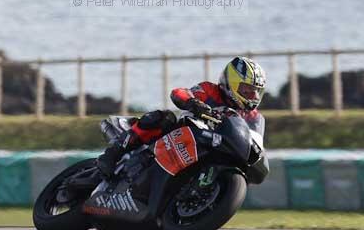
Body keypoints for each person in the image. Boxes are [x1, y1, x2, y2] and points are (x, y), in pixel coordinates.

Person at [97, 56, 269, 184]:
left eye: (255, 91)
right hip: (182, 135)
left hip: (212, 147)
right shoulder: (210, 90)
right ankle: (113, 153)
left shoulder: (253, 116)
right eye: (246, 90)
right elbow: (179, 92)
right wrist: (194, 103)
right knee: (164, 117)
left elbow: (255, 139)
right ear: (231, 83)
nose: (251, 96)